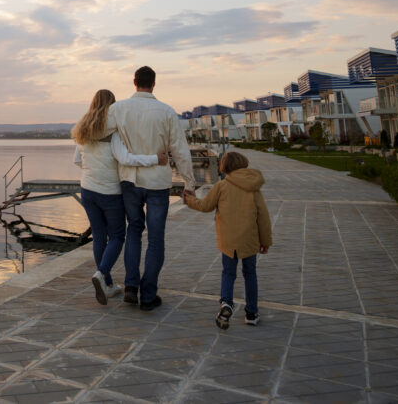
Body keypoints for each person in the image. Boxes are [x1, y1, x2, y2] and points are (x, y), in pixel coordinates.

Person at [108, 66, 195, 310]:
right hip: (157, 182)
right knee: (156, 239)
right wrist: (189, 183)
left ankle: (131, 287)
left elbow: (101, 134)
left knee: (134, 230)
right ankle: (148, 296)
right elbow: (180, 149)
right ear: (154, 83)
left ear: (134, 82)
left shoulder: (118, 109)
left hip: (130, 180)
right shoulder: (166, 112)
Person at [72, 89, 168, 305]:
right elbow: (126, 158)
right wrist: (155, 158)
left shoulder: (83, 129)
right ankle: (101, 274)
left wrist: (93, 171)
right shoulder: (114, 131)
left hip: (87, 190)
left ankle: (107, 285)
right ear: (113, 106)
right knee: (117, 236)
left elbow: (77, 161)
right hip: (109, 192)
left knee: (99, 236)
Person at [183, 151, 273, 328]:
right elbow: (263, 216)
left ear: (225, 167)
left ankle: (226, 303)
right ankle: (252, 313)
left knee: (228, 273)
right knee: (250, 274)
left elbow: (205, 206)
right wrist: (265, 241)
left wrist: (189, 200)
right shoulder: (254, 187)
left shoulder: (221, 186)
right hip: (250, 240)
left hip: (229, 241)